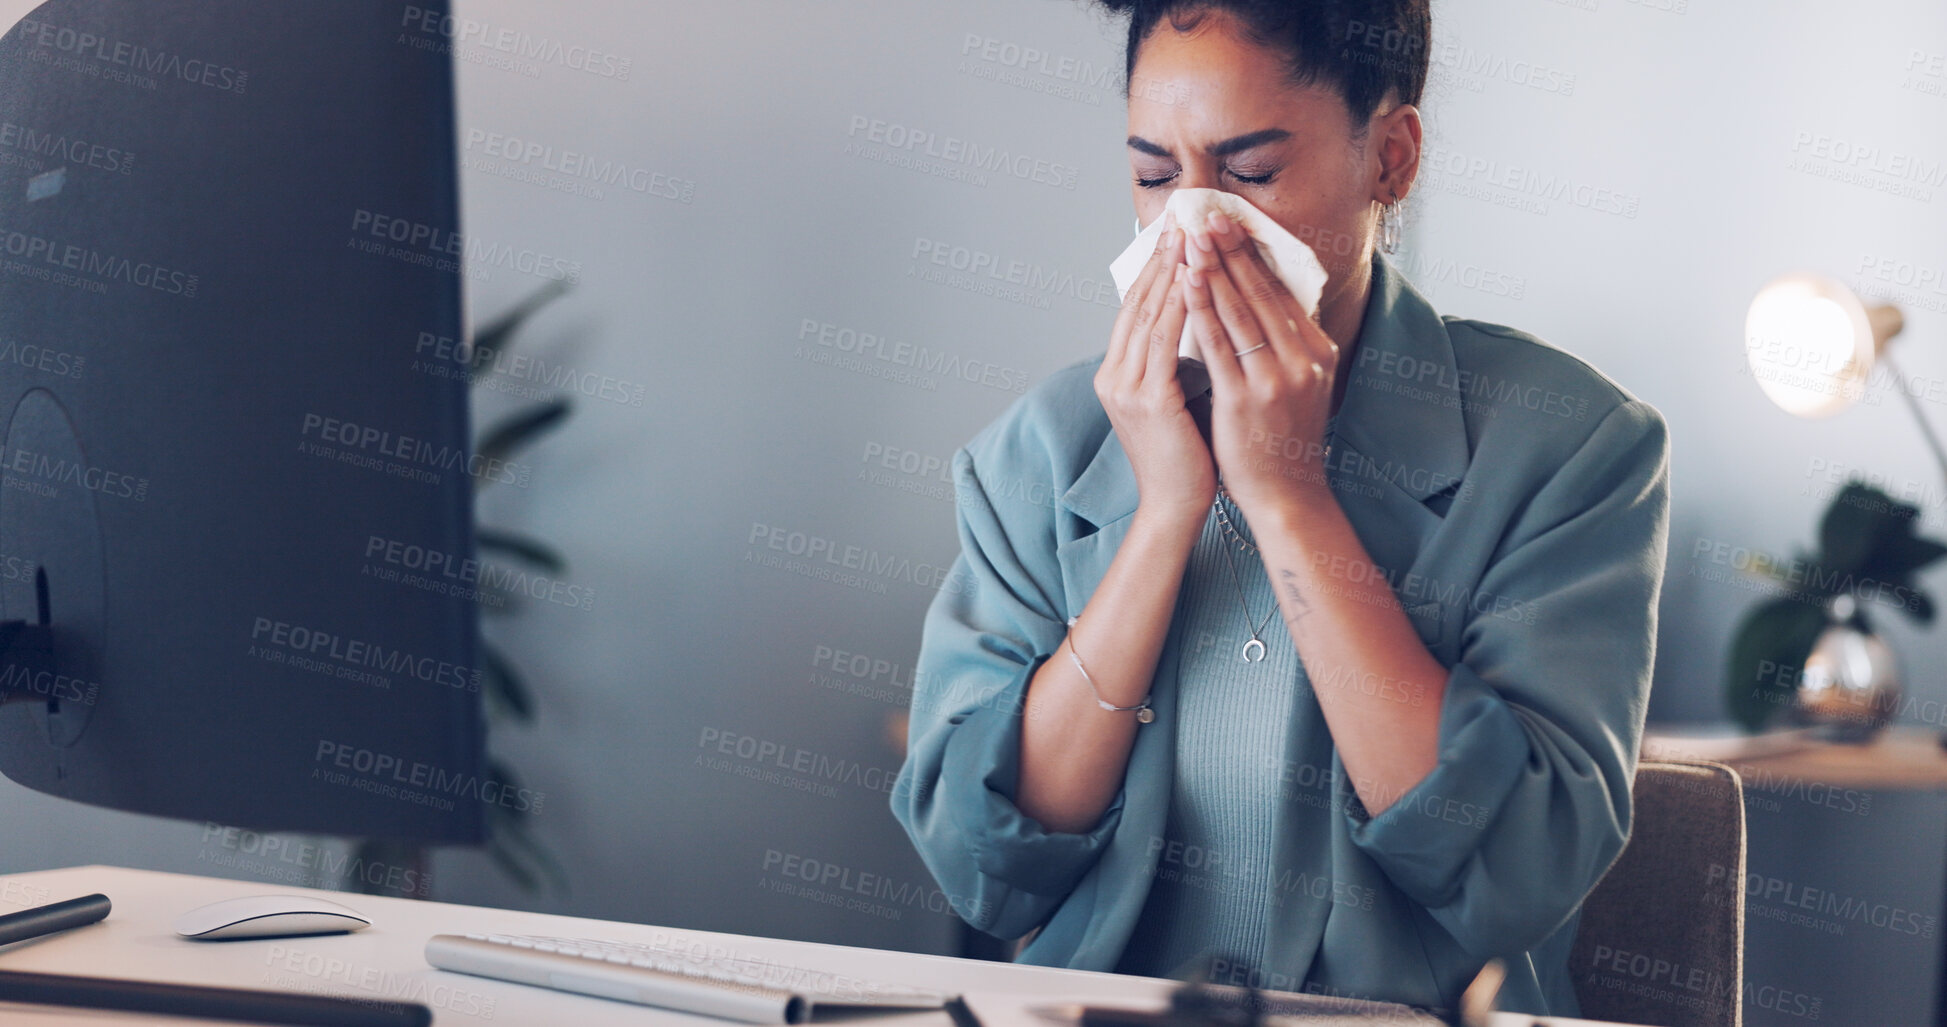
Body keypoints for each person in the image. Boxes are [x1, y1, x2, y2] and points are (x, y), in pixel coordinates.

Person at [889, 1, 1671, 1018]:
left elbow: (1518, 870)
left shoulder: (1571, 447)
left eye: (1251, 173)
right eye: (1156, 176)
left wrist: (1290, 495)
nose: (1196, 229)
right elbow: (978, 862)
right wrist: (1165, 511)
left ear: (1391, 159)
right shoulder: (1041, 449)